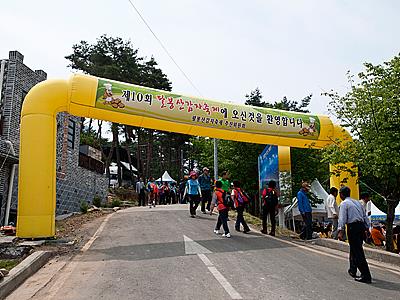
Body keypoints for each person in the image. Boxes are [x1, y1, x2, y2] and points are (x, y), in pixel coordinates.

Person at [338, 186, 372, 284]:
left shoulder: (344, 204)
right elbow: (364, 216)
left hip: (353, 227)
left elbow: (342, 218)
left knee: (357, 252)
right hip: (361, 227)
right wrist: (367, 228)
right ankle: (353, 269)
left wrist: (340, 231)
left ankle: (366, 275)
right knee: (354, 249)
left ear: (341, 194)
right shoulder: (357, 202)